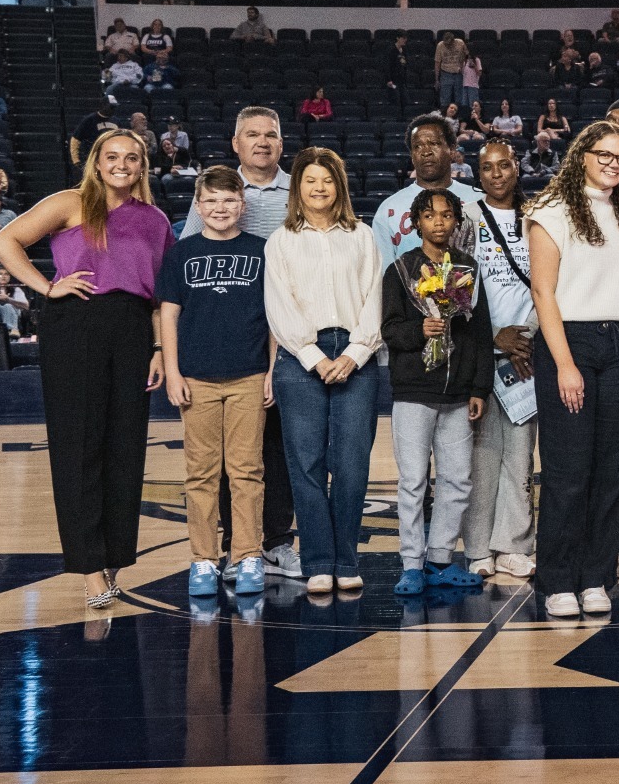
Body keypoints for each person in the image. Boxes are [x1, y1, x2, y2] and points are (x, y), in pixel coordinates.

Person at [0, 128, 172, 609]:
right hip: (77, 324)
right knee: (79, 446)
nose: (121, 164)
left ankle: (113, 555)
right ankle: (90, 568)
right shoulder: (71, 202)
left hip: (133, 330)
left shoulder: (154, 220)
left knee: (126, 447)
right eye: (112, 156)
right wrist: (47, 286)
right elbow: (4, 242)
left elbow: (159, 297)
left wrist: (158, 349)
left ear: (141, 167)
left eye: (131, 158)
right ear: (96, 162)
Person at [526, 122, 619, 619]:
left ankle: (597, 574)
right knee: (567, 470)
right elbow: (543, 293)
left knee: (609, 468)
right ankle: (557, 579)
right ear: (582, 156)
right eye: (604, 154)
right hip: (568, 340)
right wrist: (565, 364)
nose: (614, 163)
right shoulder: (551, 211)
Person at [264, 148, 385, 596]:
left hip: (357, 354)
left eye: (327, 180)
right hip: (300, 360)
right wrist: (315, 357)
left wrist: (355, 353)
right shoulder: (281, 240)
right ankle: (317, 561)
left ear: (340, 187)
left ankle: (346, 559)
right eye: (310, 180)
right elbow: (279, 306)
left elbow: (376, 297)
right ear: (297, 187)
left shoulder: (362, 236)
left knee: (351, 464)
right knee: (306, 464)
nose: (319, 188)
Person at [157, 165, 275, 600]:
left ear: (242, 205)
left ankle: (247, 556)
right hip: (196, 379)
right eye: (211, 201)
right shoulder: (180, 253)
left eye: (229, 201)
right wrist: (172, 372)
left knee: (246, 471)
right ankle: (204, 559)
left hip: (248, 376)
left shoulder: (263, 250)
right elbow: (168, 314)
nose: (220, 208)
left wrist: (271, 370)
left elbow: (274, 318)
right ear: (199, 205)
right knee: (200, 474)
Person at [381, 187, 495, 597]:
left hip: (458, 392)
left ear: (456, 221)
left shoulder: (469, 269)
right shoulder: (399, 270)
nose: (440, 223)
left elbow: (480, 334)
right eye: (430, 216)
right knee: (413, 481)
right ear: (417, 222)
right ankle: (411, 563)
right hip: (413, 390)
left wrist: (479, 386)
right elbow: (389, 330)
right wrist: (420, 330)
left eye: (447, 216)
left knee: (457, 480)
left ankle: (439, 560)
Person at [466, 139, 539, 580]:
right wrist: (491, 335)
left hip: (525, 352)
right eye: (487, 167)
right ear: (479, 173)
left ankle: (513, 545)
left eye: (504, 165)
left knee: (519, 453)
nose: (496, 173)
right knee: (479, 453)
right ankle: (477, 548)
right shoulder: (466, 219)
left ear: (517, 168)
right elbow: (450, 284)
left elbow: (551, 280)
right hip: (479, 349)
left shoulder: (539, 216)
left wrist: (525, 335)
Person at [372, 114, 484, 268]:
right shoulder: (387, 209)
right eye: (417, 146)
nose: (426, 152)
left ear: (452, 150)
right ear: (412, 156)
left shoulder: (481, 200)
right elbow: (385, 275)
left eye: (434, 143)